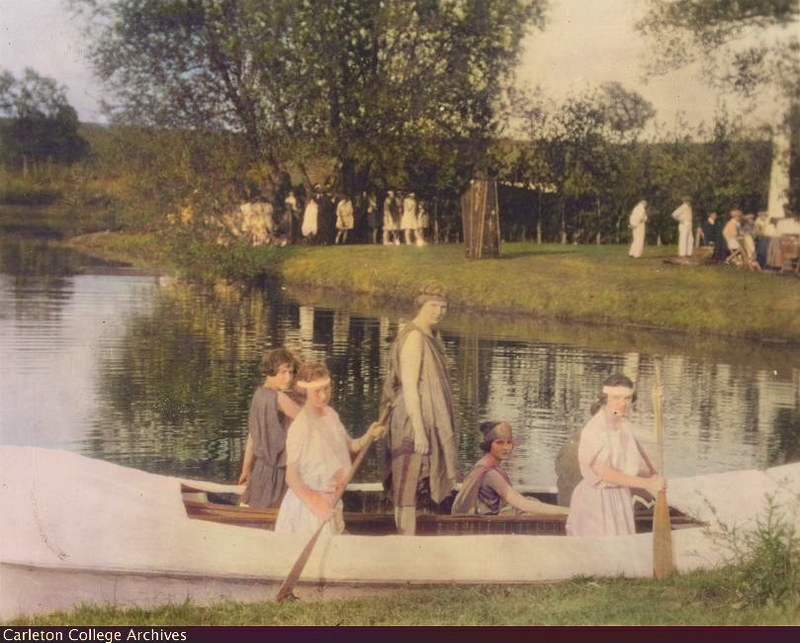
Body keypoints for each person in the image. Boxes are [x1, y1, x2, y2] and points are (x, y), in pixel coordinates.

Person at [381, 280, 459, 535]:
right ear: (421, 305)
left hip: (425, 418)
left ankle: (411, 538)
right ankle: (406, 543)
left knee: (419, 482)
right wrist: (420, 432)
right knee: (408, 484)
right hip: (411, 420)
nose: (438, 311)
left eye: (443, 306)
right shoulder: (414, 336)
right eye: (433, 305)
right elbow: (410, 388)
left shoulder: (430, 336)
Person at [274, 362, 386, 539]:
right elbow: (292, 477)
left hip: (332, 500)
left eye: (327, 388)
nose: (324, 395)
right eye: (317, 391)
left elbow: (351, 446)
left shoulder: (331, 415)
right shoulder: (300, 427)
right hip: (308, 508)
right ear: (305, 392)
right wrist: (317, 504)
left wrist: (369, 435)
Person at [565, 374, 665, 537]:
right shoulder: (596, 429)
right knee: (600, 551)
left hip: (619, 496)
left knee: (621, 550)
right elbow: (606, 473)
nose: (623, 403)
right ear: (604, 399)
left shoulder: (623, 424)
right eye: (616, 398)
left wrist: (652, 475)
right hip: (597, 499)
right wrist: (646, 483)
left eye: (627, 398)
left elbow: (635, 461)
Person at [451, 421, 570, 517]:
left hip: (491, 519)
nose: (506, 447)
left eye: (509, 442)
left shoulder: (487, 464)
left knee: (532, 503)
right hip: (489, 525)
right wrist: (569, 512)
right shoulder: (490, 473)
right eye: (500, 443)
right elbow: (523, 504)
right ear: (488, 444)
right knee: (531, 509)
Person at [238, 348, 302, 509]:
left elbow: (252, 438)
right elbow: (308, 421)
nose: (288, 377)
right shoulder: (278, 397)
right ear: (270, 372)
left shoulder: (258, 395)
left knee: (258, 513)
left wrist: (246, 469)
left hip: (261, 472)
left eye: (291, 372)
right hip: (279, 475)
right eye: (282, 372)